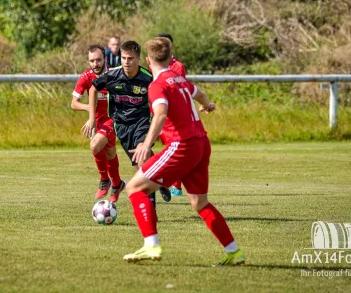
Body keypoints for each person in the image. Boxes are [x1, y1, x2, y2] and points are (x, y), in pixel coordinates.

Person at [123, 37, 245, 266]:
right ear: (170, 58)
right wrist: (207, 105)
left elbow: (160, 113)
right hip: (201, 143)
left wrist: (146, 145)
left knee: (134, 187)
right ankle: (234, 251)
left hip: (182, 145)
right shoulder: (179, 78)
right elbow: (198, 93)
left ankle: (151, 245)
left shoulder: (157, 85)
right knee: (199, 203)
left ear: (148, 61)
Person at [82, 40, 172, 204]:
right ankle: (160, 180)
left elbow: (161, 100)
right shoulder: (113, 75)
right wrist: (91, 118)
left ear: (138, 58)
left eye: (130, 58)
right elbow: (93, 89)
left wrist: (161, 125)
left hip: (142, 122)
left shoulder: (148, 78)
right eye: (123, 58)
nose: (126, 62)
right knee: (139, 166)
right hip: (121, 125)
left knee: (141, 158)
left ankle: (149, 205)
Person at [71, 45, 124, 202]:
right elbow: (74, 103)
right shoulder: (86, 76)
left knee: (95, 145)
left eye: (99, 60)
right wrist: (90, 110)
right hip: (97, 120)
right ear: (88, 62)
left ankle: (104, 180)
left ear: (105, 60)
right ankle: (117, 183)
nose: (96, 64)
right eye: (92, 61)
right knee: (110, 153)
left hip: (113, 118)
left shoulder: (114, 74)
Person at [157, 33, 186, 198]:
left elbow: (178, 91)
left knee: (174, 149)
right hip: (160, 113)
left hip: (172, 114)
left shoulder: (177, 66)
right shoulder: (155, 65)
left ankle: (176, 186)